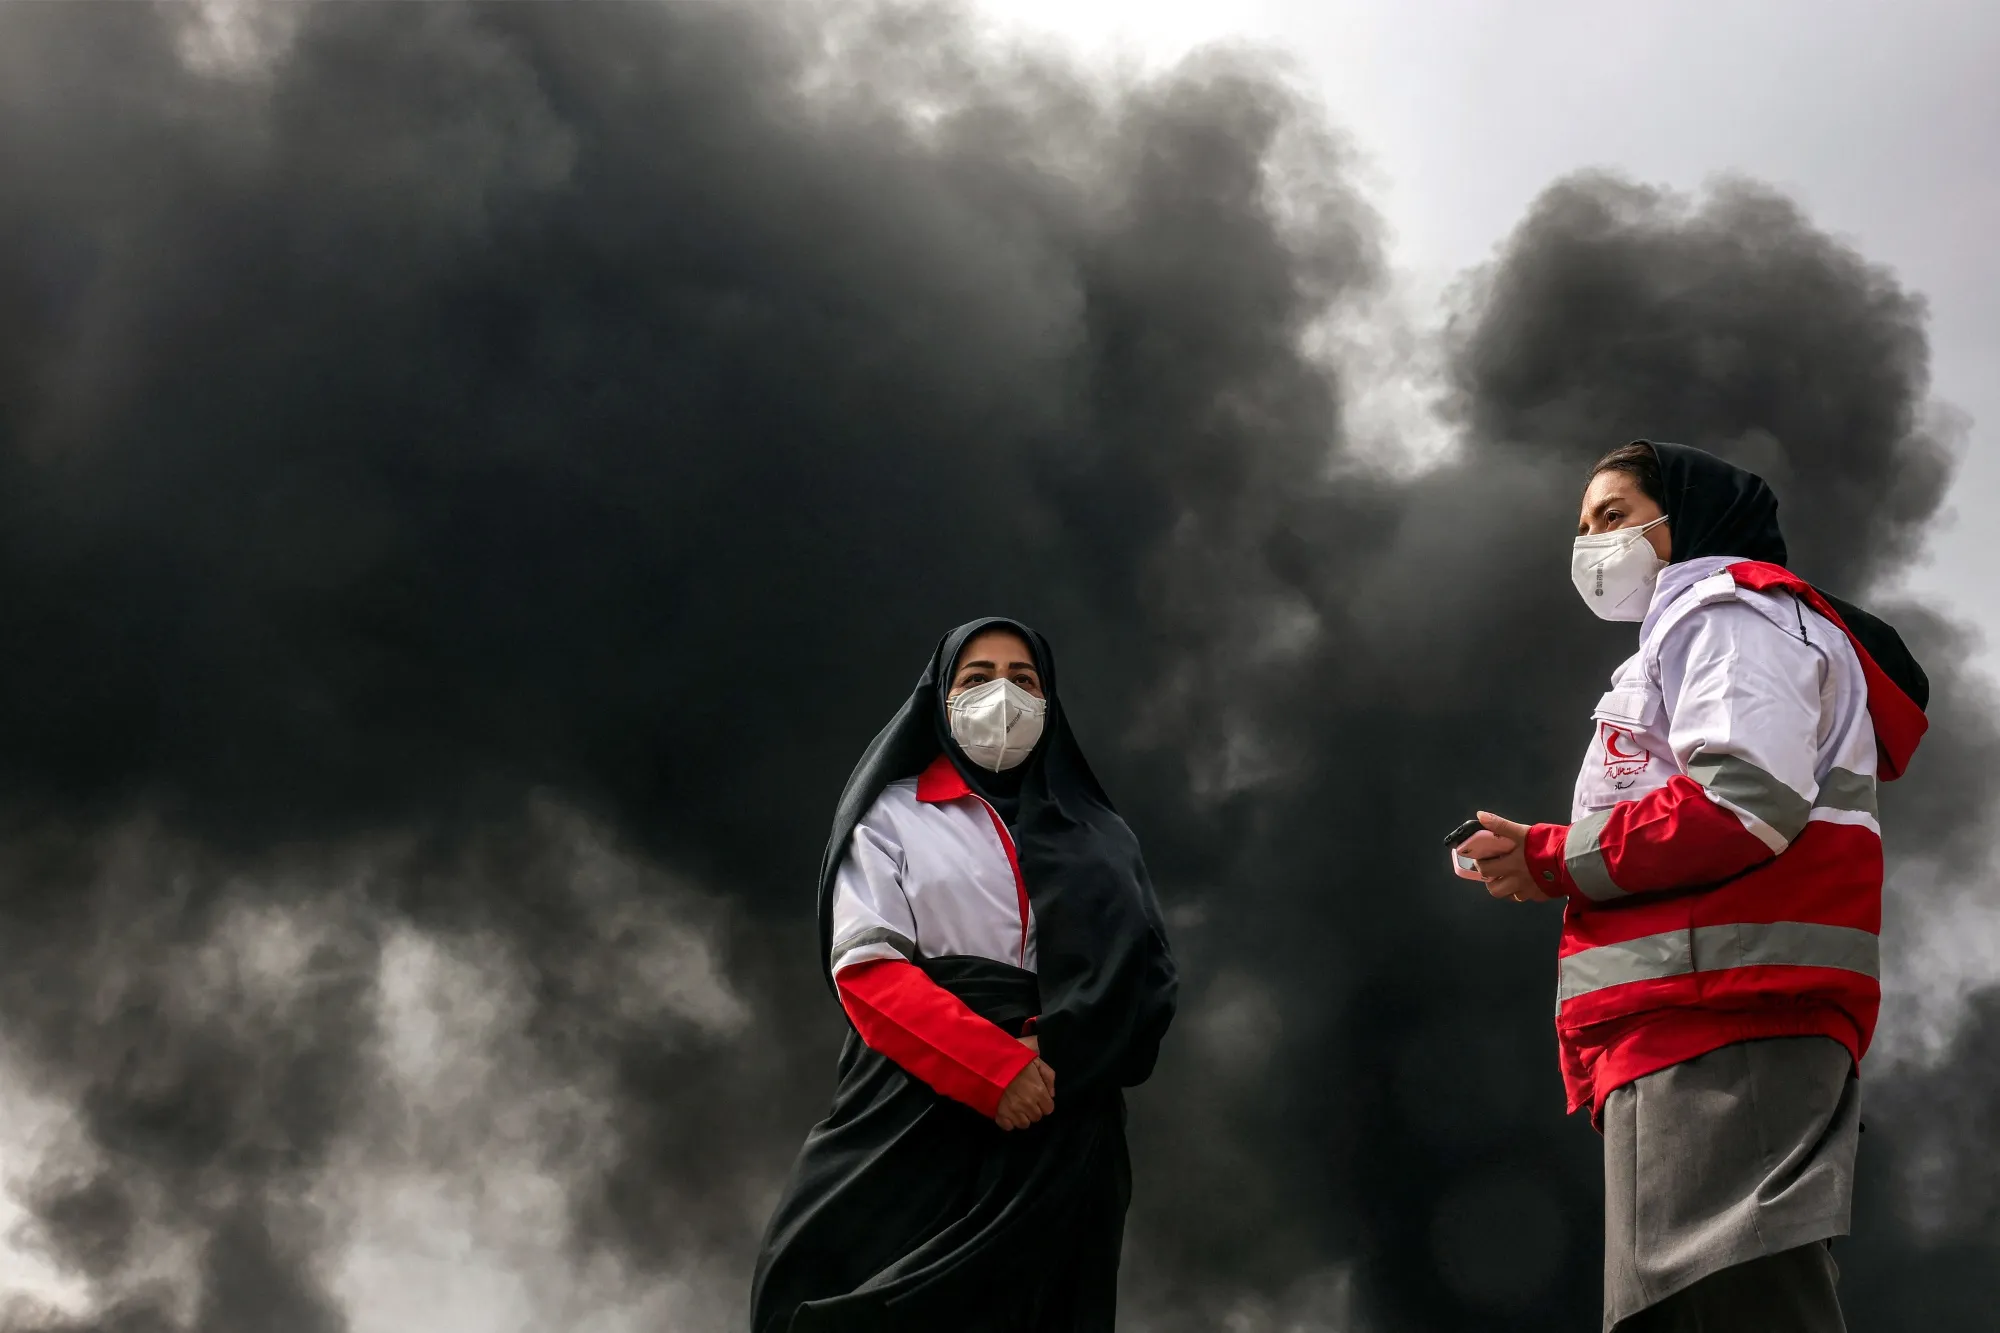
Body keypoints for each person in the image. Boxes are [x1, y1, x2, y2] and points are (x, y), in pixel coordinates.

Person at [1460, 441, 1930, 1332]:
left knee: (1731, 1304)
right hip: (1691, 1020)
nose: (1592, 544)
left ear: (1690, 517)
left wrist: (1556, 856)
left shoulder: (1730, 612)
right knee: (1697, 1308)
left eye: (1614, 514)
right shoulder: (1695, 628)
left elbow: (1744, 801)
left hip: (1726, 1021)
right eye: (1583, 525)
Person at [750, 617, 1178, 1333]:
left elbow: (1149, 982)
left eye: (1024, 679)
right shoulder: (891, 819)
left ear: (1050, 702)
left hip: (1063, 1131)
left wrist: (1060, 1056)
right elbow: (867, 970)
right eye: (977, 679)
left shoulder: (1102, 836)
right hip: (911, 1115)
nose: (1002, 696)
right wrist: (994, 1069)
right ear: (939, 699)